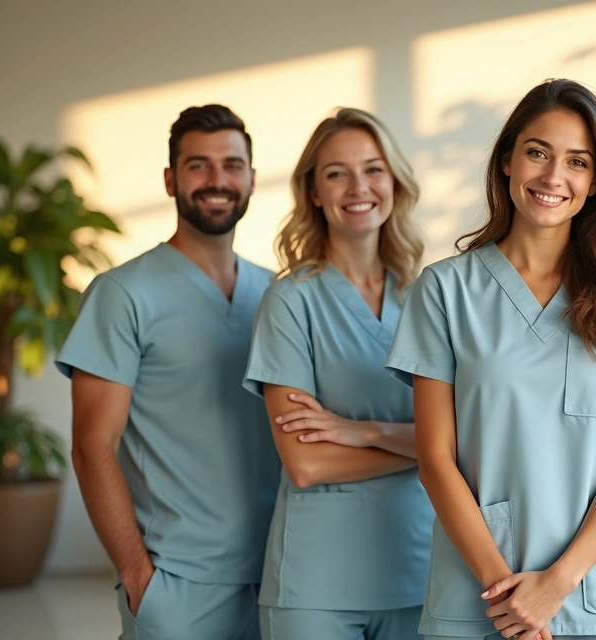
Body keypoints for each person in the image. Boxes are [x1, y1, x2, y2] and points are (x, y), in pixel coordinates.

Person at [385, 78, 596, 640]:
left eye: (577, 161)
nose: (553, 177)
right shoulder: (445, 291)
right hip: (481, 598)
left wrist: (555, 585)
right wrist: (507, 595)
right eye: (537, 153)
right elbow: (435, 458)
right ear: (506, 161)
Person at [60, 105, 280, 639]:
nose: (217, 181)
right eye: (198, 166)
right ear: (169, 179)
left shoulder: (280, 293)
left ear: (251, 178)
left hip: (281, 577)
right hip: (179, 584)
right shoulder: (123, 294)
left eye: (231, 165)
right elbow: (93, 446)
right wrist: (139, 576)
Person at [242, 108, 434, 639]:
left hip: (419, 572)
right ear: (315, 193)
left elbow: (470, 439)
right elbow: (305, 462)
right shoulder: (290, 301)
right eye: (336, 173)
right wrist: (420, 446)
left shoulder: (426, 300)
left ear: (394, 180)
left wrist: (362, 431)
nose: (359, 187)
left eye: (373, 169)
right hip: (316, 586)